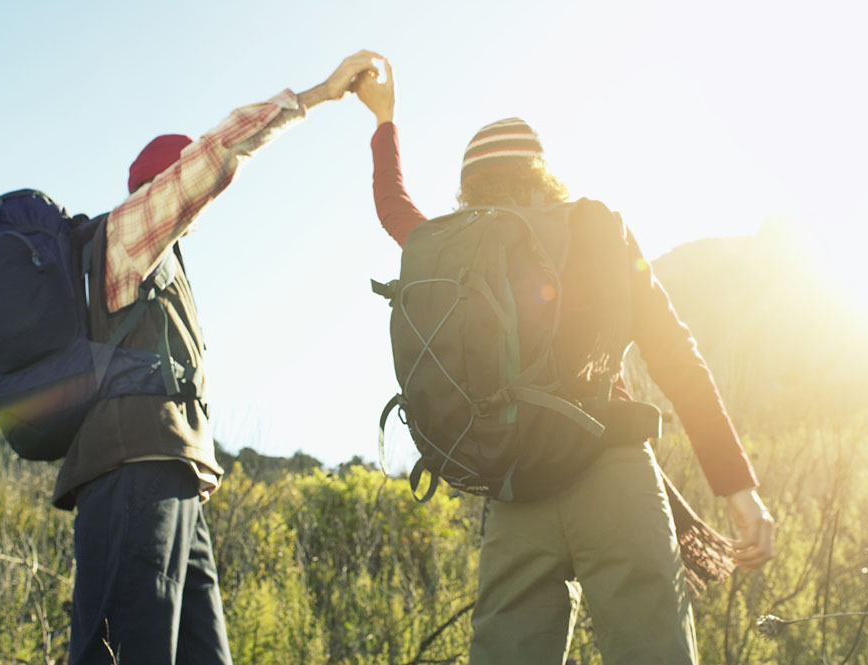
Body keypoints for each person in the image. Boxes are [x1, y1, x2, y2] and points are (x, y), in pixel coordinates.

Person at [354, 61, 774, 664]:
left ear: (471, 189)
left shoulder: (453, 249)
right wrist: (738, 488)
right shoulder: (597, 229)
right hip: (614, 476)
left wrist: (384, 120)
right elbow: (675, 355)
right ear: (540, 175)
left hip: (513, 490)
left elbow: (393, 204)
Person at [50, 50, 384, 665]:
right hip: (132, 478)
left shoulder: (160, 266)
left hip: (172, 482)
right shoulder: (127, 232)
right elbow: (217, 153)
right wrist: (318, 94)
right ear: (164, 183)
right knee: (131, 651)